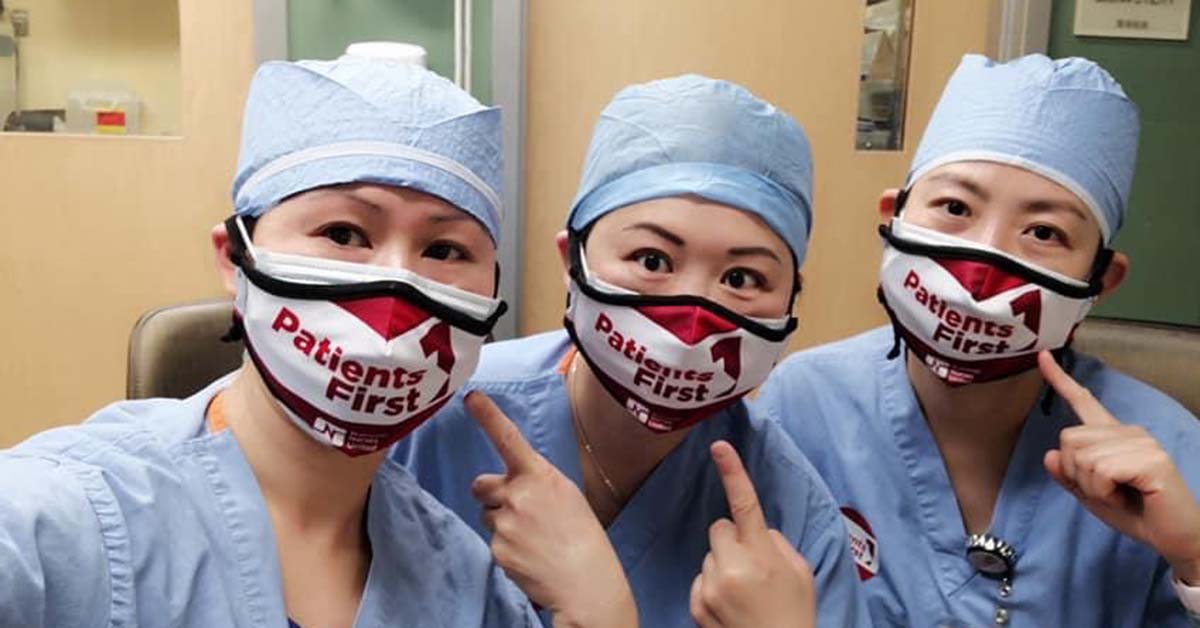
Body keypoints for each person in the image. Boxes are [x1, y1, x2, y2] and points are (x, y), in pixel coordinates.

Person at [0, 54, 551, 627]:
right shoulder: (71, 518)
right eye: (344, 234)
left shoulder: (467, 588)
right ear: (233, 259)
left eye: (444, 250)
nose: (397, 284)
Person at [394, 74, 867, 627]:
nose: (691, 319)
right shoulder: (430, 424)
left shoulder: (790, 516)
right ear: (573, 261)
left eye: (742, 277)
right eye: (652, 260)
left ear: (791, 300)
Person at [756, 53, 1200, 626]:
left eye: (1044, 232)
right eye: (955, 207)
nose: (983, 268)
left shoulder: (1173, 452)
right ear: (894, 219)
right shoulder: (802, 405)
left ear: (1100, 281)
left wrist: (1194, 562)